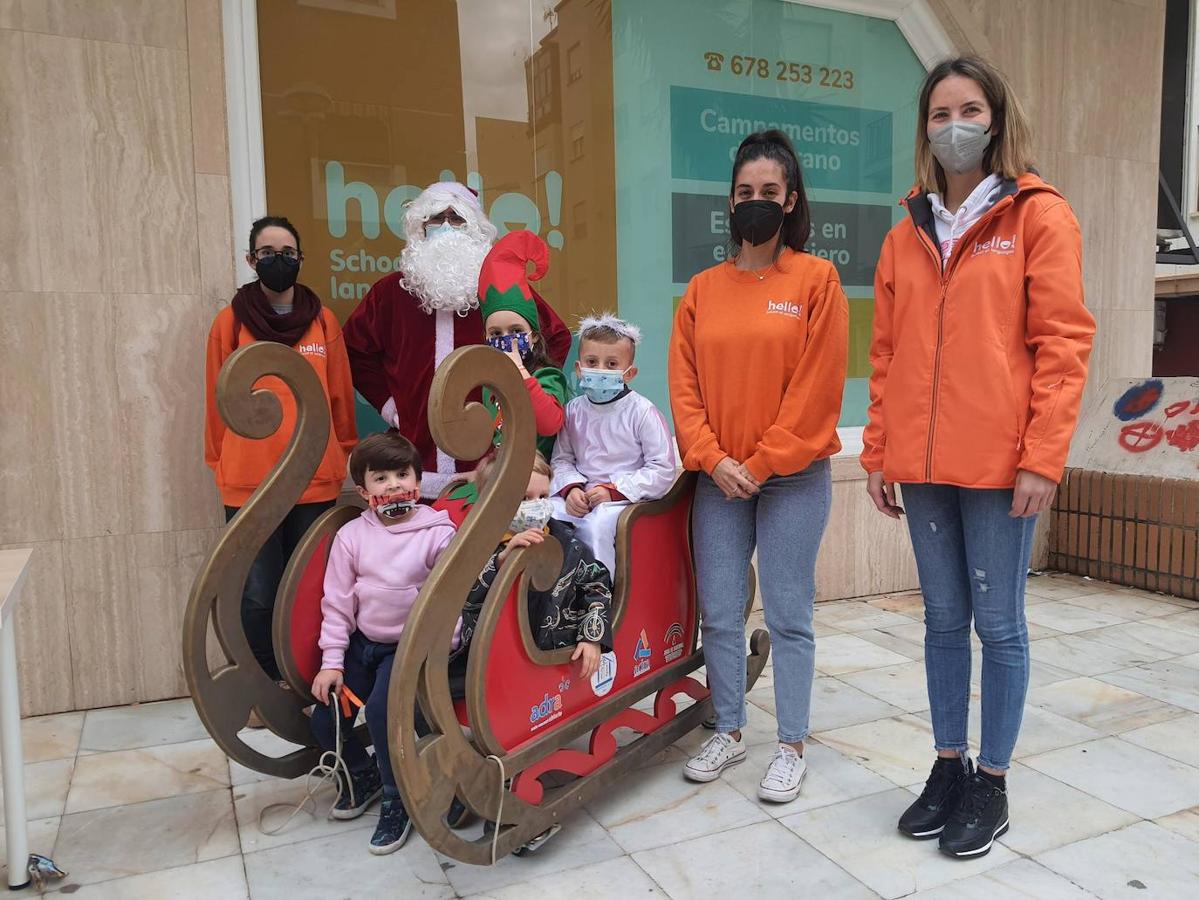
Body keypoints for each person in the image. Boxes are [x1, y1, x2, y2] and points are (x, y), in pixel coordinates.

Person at [862, 57, 1095, 859]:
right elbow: (886, 354)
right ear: (924, 130)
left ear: (995, 119)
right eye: (937, 114)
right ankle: (947, 766)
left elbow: (1062, 345)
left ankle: (990, 783)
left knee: (998, 626)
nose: (952, 125)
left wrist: (1043, 457)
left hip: (1000, 468)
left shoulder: (1038, 216)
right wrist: (879, 450)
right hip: (923, 469)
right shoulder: (905, 234)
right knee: (939, 623)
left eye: (967, 109)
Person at [669, 130, 848, 804]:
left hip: (792, 478)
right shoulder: (702, 289)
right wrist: (715, 460)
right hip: (720, 481)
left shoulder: (815, 280)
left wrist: (764, 460)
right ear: (730, 202)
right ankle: (730, 728)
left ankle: (791, 744)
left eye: (767, 192)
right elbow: (683, 387)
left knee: (788, 612)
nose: (754, 202)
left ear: (790, 200)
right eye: (744, 192)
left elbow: (818, 387)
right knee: (718, 612)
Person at [204, 215, 357, 697]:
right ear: (251, 261)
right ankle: (265, 687)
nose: (278, 261)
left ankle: (309, 682)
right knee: (256, 592)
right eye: (267, 253)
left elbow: (339, 397)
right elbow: (216, 399)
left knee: (310, 591)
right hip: (251, 483)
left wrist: (342, 454)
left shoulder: (323, 319)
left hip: (314, 480)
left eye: (287, 252)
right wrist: (221, 464)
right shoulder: (230, 322)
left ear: (300, 259)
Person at [342, 182, 572, 494]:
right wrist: (391, 405)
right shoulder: (391, 293)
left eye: (457, 218)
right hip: (416, 458)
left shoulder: (495, 290)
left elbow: (554, 335)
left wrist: (521, 390)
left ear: (474, 228)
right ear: (420, 228)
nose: (446, 226)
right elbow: (354, 350)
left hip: (486, 462)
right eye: (436, 219)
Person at [308, 431, 459, 855]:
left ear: (416, 480)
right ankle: (364, 775)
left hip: (412, 647)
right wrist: (332, 662)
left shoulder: (438, 531)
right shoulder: (352, 536)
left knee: (381, 712)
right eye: (380, 477)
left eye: (401, 474)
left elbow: (452, 592)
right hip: (364, 643)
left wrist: (443, 642)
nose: (392, 484)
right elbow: (336, 604)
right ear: (363, 489)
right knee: (325, 715)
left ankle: (399, 796)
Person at [458, 451, 613, 676]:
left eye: (543, 496)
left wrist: (591, 637)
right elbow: (462, 598)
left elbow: (596, 584)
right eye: (524, 498)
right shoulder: (476, 546)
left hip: (555, 655)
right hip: (494, 663)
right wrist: (501, 562)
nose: (536, 505)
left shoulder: (568, 544)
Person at [549, 313, 676, 572]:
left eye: (611, 364)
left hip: (623, 501)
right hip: (581, 496)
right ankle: (554, 593)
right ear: (578, 367)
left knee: (597, 527)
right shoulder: (573, 411)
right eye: (592, 362)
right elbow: (562, 460)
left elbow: (662, 469)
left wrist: (612, 490)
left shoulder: (642, 412)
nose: (600, 370)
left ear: (629, 373)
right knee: (547, 515)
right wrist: (571, 489)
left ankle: (599, 596)